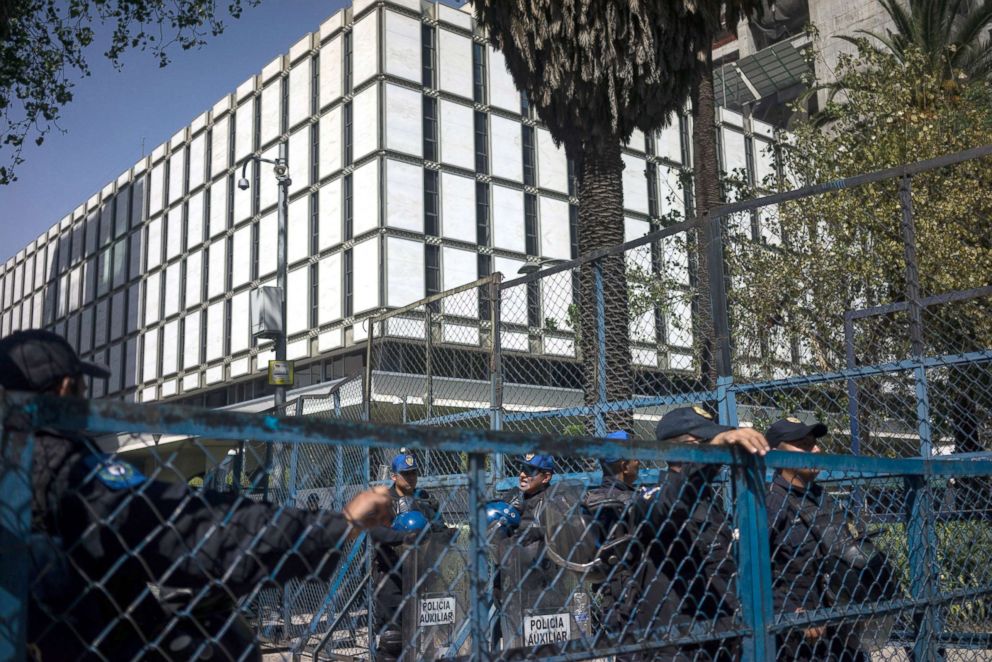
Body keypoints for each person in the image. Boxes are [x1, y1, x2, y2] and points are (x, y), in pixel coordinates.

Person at [0, 329, 394, 662]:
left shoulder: (18, 464)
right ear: (67, 388)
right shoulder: (65, 468)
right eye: (83, 389)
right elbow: (191, 526)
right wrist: (337, 525)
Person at [641, 405, 769, 661]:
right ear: (676, 449)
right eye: (705, 444)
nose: (717, 454)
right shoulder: (652, 499)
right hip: (677, 645)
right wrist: (710, 455)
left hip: (719, 636)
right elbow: (672, 505)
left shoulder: (708, 499)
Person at [765, 416, 885, 662]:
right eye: (804, 444)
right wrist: (788, 612)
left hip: (843, 630)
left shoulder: (824, 498)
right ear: (775, 454)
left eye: (815, 443)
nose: (816, 449)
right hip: (795, 640)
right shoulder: (770, 503)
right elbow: (750, 571)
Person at [370, 450, 444, 661]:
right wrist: (404, 537)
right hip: (392, 579)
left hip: (422, 577)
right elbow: (376, 533)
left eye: (413, 473)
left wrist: (437, 533)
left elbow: (441, 529)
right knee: (392, 641)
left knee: (425, 639)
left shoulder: (425, 500)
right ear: (394, 476)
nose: (411, 478)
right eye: (405, 474)